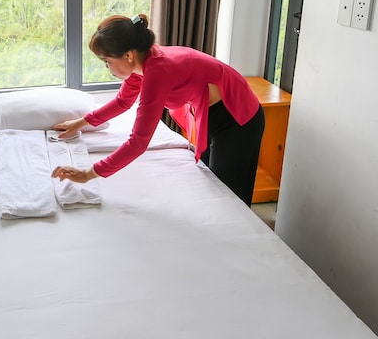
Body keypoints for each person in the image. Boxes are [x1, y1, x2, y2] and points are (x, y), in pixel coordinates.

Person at [50, 14, 265, 206]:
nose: (107, 67)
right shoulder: (144, 62)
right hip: (212, 116)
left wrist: (88, 174)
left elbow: (138, 142)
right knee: (213, 185)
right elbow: (123, 102)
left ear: (128, 55)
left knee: (230, 196)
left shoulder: (158, 72)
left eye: (107, 60)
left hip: (238, 118)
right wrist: (80, 123)